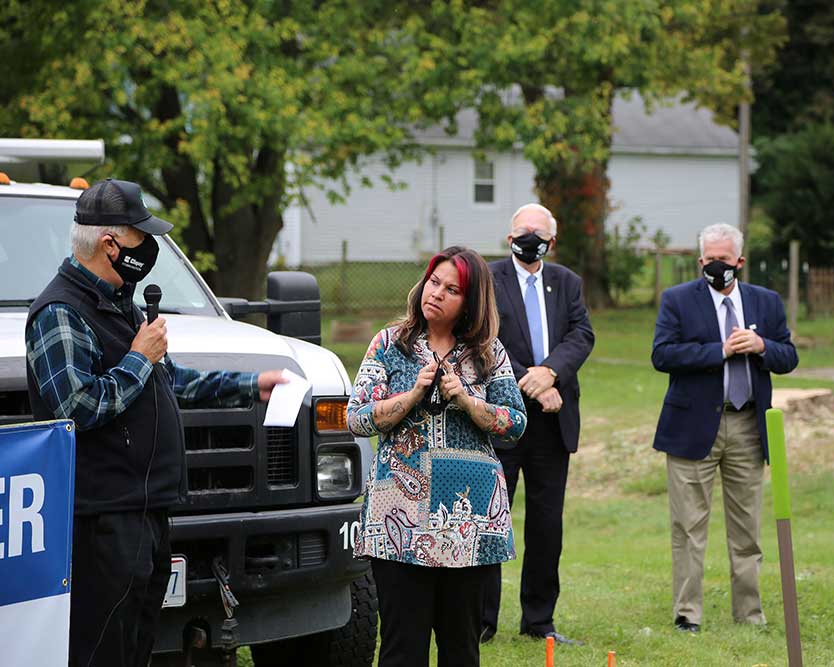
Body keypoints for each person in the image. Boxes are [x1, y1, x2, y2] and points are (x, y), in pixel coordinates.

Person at [23, 178, 287, 667]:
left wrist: (249, 386)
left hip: (146, 511)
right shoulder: (59, 311)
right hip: (100, 519)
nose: (149, 248)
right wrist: (139, 359)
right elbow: (74, 410)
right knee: (104, 650)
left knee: (138, 647)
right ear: (109, 244)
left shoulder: (117, 302)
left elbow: (167, 381)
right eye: (141, 237)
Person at [347, 246, 526, 667]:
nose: (437, 293)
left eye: (452, 289)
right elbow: (356, 418)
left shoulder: (488, 351)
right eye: (433, 282)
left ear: (471, 301)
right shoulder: (390, 343)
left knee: (461, 649)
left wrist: (467, 402)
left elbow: (516, 423)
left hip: (468, 522)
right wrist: (410, 397)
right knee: (401, 649)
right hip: (399, 521)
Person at [651, 222, 797, 633]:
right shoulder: (677, 300)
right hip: (692, 426)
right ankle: (688, 615)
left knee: (747, 528)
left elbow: (789, 355)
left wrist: (763, 347)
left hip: (748, 424)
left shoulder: (766, 302)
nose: (718, 266)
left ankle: (749, 614)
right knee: (689, 527)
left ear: (740, 262)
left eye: (725, 260)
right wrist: (720, 350)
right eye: (710, 260)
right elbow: (662, 355)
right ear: (700, 262)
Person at [481, 203, 595, 646]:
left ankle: (539, 621)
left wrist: (551, 373)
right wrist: (534, 381)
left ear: (553, 237)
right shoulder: (488, 280)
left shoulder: (567, 282)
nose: (531, 238)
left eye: (539, 232)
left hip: (553, 420)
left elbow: (581, 335)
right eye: (522, 231)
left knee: (547, 525)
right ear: (509, 238)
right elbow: (484, 339)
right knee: (491, 521)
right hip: (501, 419)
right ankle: (482, 620)